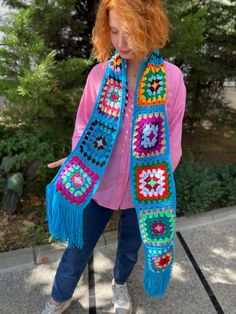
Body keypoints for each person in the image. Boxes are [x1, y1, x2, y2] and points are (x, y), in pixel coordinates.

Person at [42, 0, 186, 313]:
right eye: (115, 31)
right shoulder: (98, 76)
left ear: (149, 28)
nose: (120, 42)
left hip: (144, 192)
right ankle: (59, 296)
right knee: (77, 247)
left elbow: (173, 138)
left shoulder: (172, 79)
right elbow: (83, 127)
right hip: (98, 183)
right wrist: (76, 158)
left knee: (130, 248)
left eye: (130, 33)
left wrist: (157, 177)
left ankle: (119, 284)